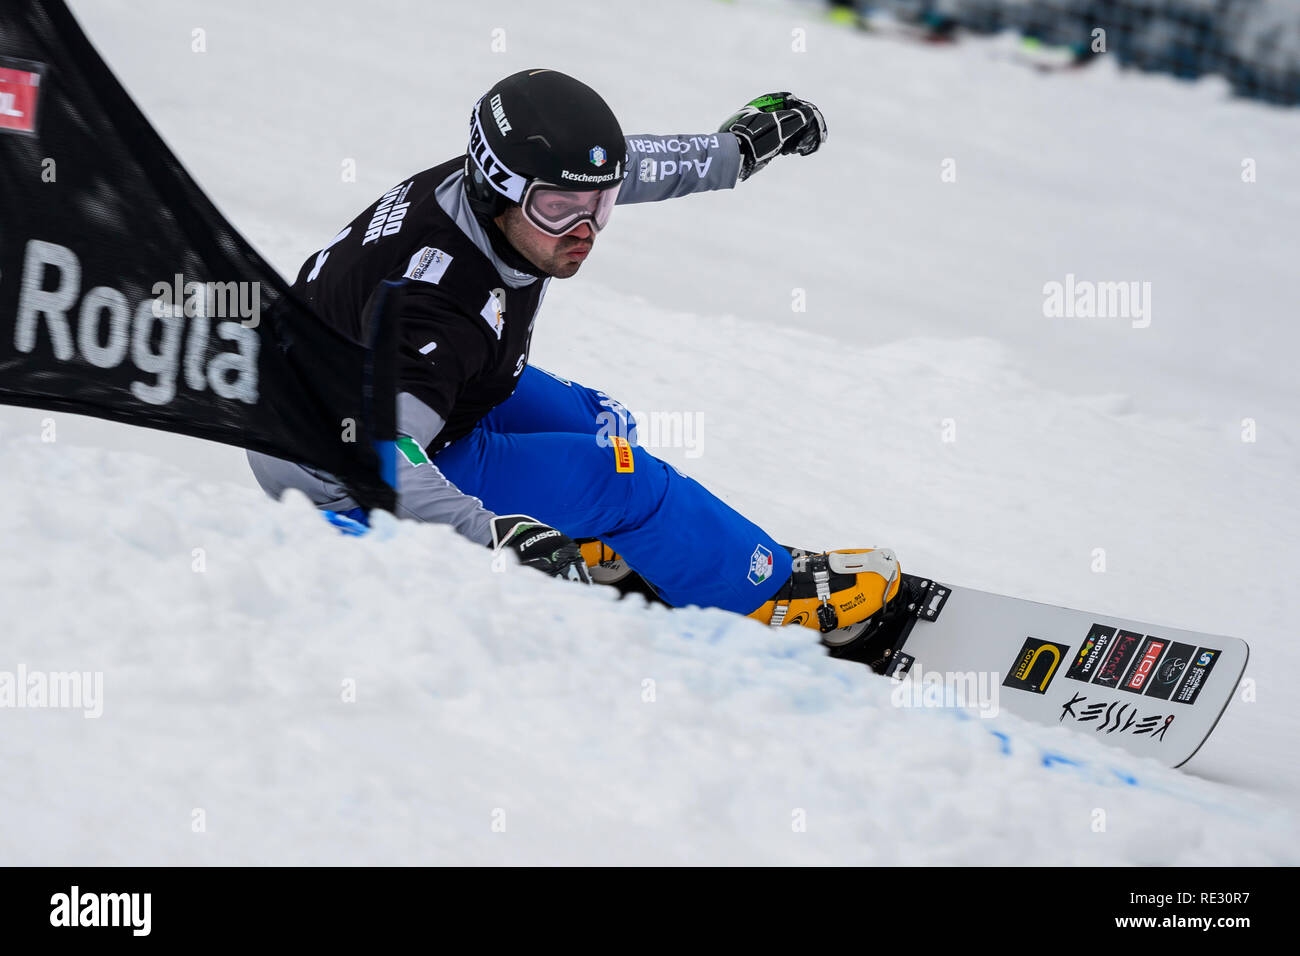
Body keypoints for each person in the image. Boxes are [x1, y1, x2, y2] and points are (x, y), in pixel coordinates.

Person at [248, 69, 900, 640]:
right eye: (562, 211)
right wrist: (496, 536)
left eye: (599, 205)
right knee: (625, 479)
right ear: (499, 191)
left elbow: (618, 170)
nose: (583, 231)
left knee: (601, 422)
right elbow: (392, 462)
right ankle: (765, 597)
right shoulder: (440, 305)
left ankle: (596, 531)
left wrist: (735, 150)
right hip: (344, 473)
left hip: (385, 390)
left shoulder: (500, 192)